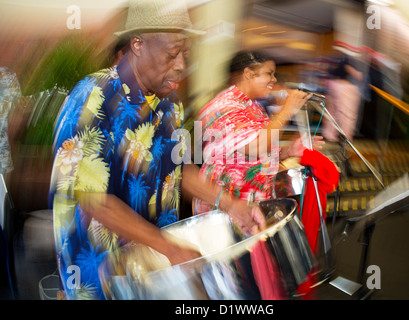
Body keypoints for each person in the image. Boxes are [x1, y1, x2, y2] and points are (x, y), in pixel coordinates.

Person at [49, 0, 264, 300]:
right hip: (102, 272)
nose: (181, 65)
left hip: (155, 260)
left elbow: (177, 168)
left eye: (186, 54)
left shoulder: (170, 103)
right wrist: (169, 247)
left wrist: (230, 204)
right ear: (137, 44)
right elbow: (94, 202)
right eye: (172, 53)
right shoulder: (92, 99)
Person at [193, 51, 338, 299]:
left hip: (251, 210)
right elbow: (254, 146)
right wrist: (287, 111)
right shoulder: (223, 107)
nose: (274, 80)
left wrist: (287, 151)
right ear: (248, 73)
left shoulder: (251, 106)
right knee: (238, 289)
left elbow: (254, 153)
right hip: (228, 210)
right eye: (268, 74)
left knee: (260, 285)